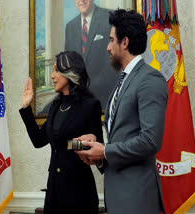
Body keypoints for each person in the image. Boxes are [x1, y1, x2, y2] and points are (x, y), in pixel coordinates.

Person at [75, 9, 168, 214]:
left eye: (111, 40)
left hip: (137, 200)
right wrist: (99, 153)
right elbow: (123, 137)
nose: (108, 47)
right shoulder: (124, 80)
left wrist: (106, 151)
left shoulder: (149, 80)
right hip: (118, 198)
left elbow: (150, 140)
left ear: (124, 42)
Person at [20, 51, 103, 214]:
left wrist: (75, 143)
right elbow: (38, 141)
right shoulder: (55, 106)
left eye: (56, 70)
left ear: (70, 72)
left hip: (79, 192)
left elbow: (97, 147)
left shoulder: (90, 105)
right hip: (53, 191)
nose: (52, 76)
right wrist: (26, 108)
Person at [65, 0, 120, 109]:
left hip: (105, 98)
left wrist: (86, 90)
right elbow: (68, 65)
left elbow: (113, 61)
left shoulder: (109, 18)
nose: (82, 1)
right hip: (78, 101)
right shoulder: (70, 27)